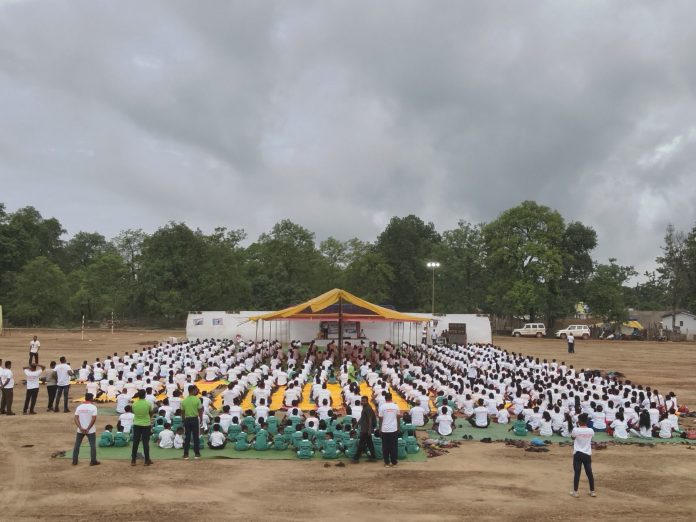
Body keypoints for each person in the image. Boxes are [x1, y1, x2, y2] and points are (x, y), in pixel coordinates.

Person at [570, 413, 596, 498]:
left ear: (579, 421)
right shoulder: (591, 430)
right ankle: (592, 491)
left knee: (577, 473)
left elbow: (572, 438)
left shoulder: (576, 430)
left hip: (578, 453)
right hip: (587, 454)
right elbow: (591, 438)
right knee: (589, 473)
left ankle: (575, 492)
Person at [72, 393, 100, 466]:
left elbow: (76, 418)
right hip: (90, 430)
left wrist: (80, 428)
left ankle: (74, 461)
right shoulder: (93, 407)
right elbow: (93, 419)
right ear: (91, 399)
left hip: (80, 430)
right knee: (92, 445)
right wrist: (88, 428)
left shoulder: (79, 407)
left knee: (77, 445)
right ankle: (93, 461)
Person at [131, 389, 154, 466]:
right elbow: (151, 413)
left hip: (136, 424)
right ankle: (147, 460)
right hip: (146, 424)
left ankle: (133, 460)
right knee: (145, 443)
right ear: (145, 395)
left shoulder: (134, 404)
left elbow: (134, 412)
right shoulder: (148, 403)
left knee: (135, 443)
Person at [378, 392, 400, 468]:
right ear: (391, 398)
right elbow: (398, 417)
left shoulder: (382, 407)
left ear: (385, 398)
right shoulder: (396, 406)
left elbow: (380, 419)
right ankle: (394, 463)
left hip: (384, 429)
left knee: (385, 447)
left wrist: (380, 428)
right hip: (393, 429)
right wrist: (398, 427)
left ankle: (386, 463)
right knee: (394, 446)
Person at [181, 384, 203, 459]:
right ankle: (197, 454)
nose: (197, 391)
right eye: (196, 390)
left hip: (187, 419)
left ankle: (186, 454)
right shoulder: (197, 400)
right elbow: (200, 411)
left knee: (187, 437)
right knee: (195, 437)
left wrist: (183, 420)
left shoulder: (184, 400)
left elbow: (182, 412)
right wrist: (201, 419)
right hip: (195, 419)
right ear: (193, 390)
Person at [353, 395, 377, 463]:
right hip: (365, 428)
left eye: (364, 401)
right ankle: (373, 457)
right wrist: (356, 425)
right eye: (362, 401)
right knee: (369, 443)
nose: (362, 402)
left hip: (366, 429)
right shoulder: (364, 407)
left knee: (361, 443)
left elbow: (370, 419)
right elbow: (362, 418)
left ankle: (356, 458)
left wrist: (369, 430)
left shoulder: (368, 408)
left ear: (367, 401)